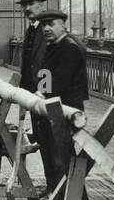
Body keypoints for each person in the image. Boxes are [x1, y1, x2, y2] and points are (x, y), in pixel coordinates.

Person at [33, 9, 89, 188]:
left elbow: (61, 80)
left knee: (59, 156)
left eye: (51, 24)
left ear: (63, 25)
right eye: (43, 25)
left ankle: (61, 197)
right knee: (49, 150)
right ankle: (53, 191)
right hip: (52, 107)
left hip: (66, 110)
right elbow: (44, 74)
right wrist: (40, 93)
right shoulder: (53, 46)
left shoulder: (69, 47)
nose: (46, 28)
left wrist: (42, 95)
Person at [17, 0, 59, 192]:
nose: (26, 8)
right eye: (24, 5)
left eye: (30, 4)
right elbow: (29, 64)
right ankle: (51, 184)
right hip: (33, 96)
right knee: (42, 140)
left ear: (41, 5)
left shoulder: (46, 29)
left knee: (52, 142)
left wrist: (43, 92)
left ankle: (57, 188)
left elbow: (47, 63)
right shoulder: (32, 29)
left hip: (45, 96)